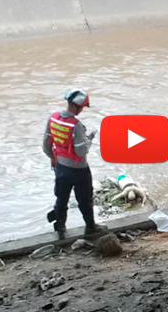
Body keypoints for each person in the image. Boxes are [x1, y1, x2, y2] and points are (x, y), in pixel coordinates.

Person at [43, 89, 106, 239]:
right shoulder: (76, 125)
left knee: (61, 198)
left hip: (60, 167)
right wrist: (89, 139)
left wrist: (54, 158)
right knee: (85, 200)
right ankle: (90, 228)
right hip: (79, 170)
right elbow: (81, 152)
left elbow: (46, 145)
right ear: (78, 107)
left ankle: (60, 228)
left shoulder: (53, 118)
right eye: (83, 107)